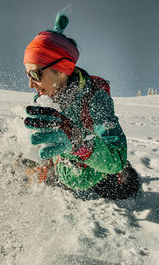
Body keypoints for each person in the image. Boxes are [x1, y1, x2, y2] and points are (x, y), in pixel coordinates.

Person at [22, 13, 139, 200]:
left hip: (96, 174)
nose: (30, 84)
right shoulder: (42, 101)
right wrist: (42, 162)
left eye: (35, 75)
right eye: (27, 75)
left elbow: (116, 158)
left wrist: (79, 143)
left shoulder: (94, 97)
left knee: (126, 186)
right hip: (63, 173)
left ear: (61, 71)